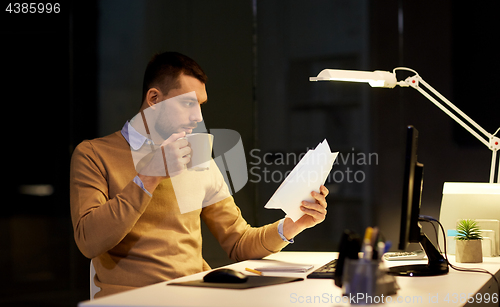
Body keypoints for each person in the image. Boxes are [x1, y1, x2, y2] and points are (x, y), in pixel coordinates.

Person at [70, 51, 329, 298]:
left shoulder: (197, 157)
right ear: (154, 99)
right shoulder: (94, 154)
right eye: (187, 103)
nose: (198, 117)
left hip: (194, 294)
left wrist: (294, 224)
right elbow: (89, 241)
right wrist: (150, 174)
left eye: (201, 105)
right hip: (133, 299)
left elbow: (238, 242)